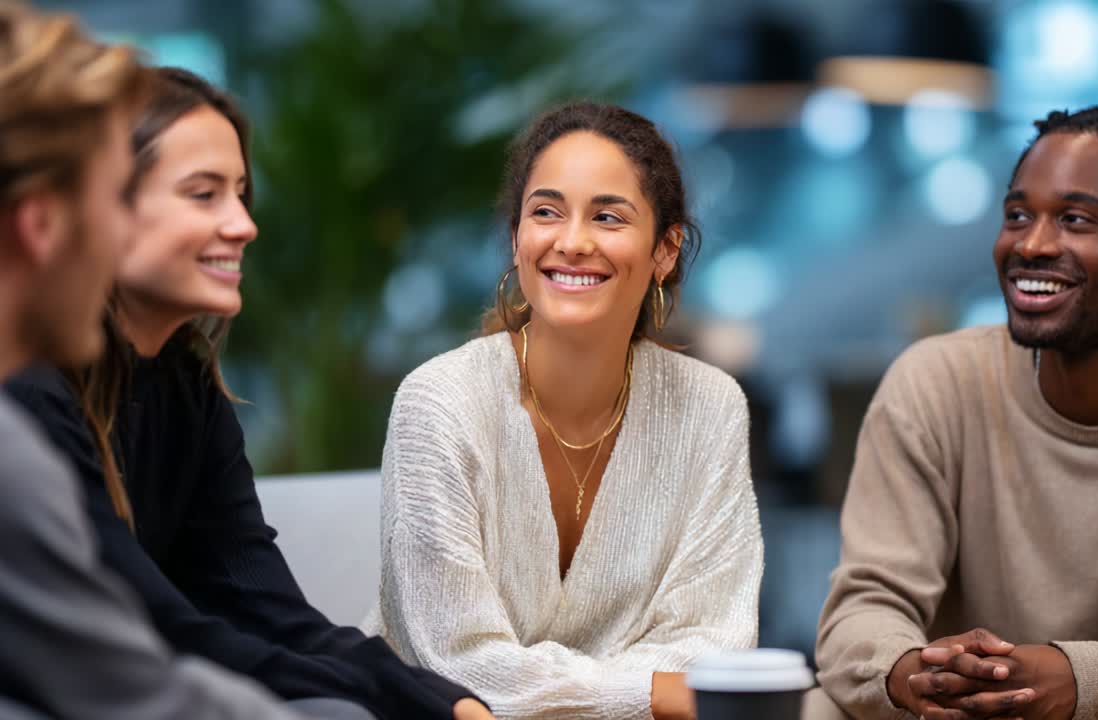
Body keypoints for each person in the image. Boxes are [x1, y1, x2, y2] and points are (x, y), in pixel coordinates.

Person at [6, 65, 492, 720]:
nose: (243, 224)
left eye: (240, 193)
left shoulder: (186, 386)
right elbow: (158, 628)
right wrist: (384, 698)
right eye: (203, 195)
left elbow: (271, 613)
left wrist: (448, 703)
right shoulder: (27, 397)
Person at [807, 97, 1098, 720]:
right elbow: (862, 609)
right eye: (1017, 215)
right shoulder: (934, 381)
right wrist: (911, 676)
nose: (1031, 244)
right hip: (959, 712)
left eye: (1076, 220)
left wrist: (1077, 678)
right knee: (820, 707)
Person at [363, 101, 764, 720]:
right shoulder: (439, 402)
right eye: (546, 212)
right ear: (518, 238)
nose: (572, 242)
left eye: (608, 216)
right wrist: (647, 693)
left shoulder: (711, 409)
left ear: (664, 249)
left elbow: (715, 642)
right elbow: (458, 663)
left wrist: (566, 695)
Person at [0, 3, 303, 718]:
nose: (243, 225)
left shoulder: (182, 385)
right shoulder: (16, 447)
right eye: (112, 200)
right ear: (42, 225)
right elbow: (135, 688)